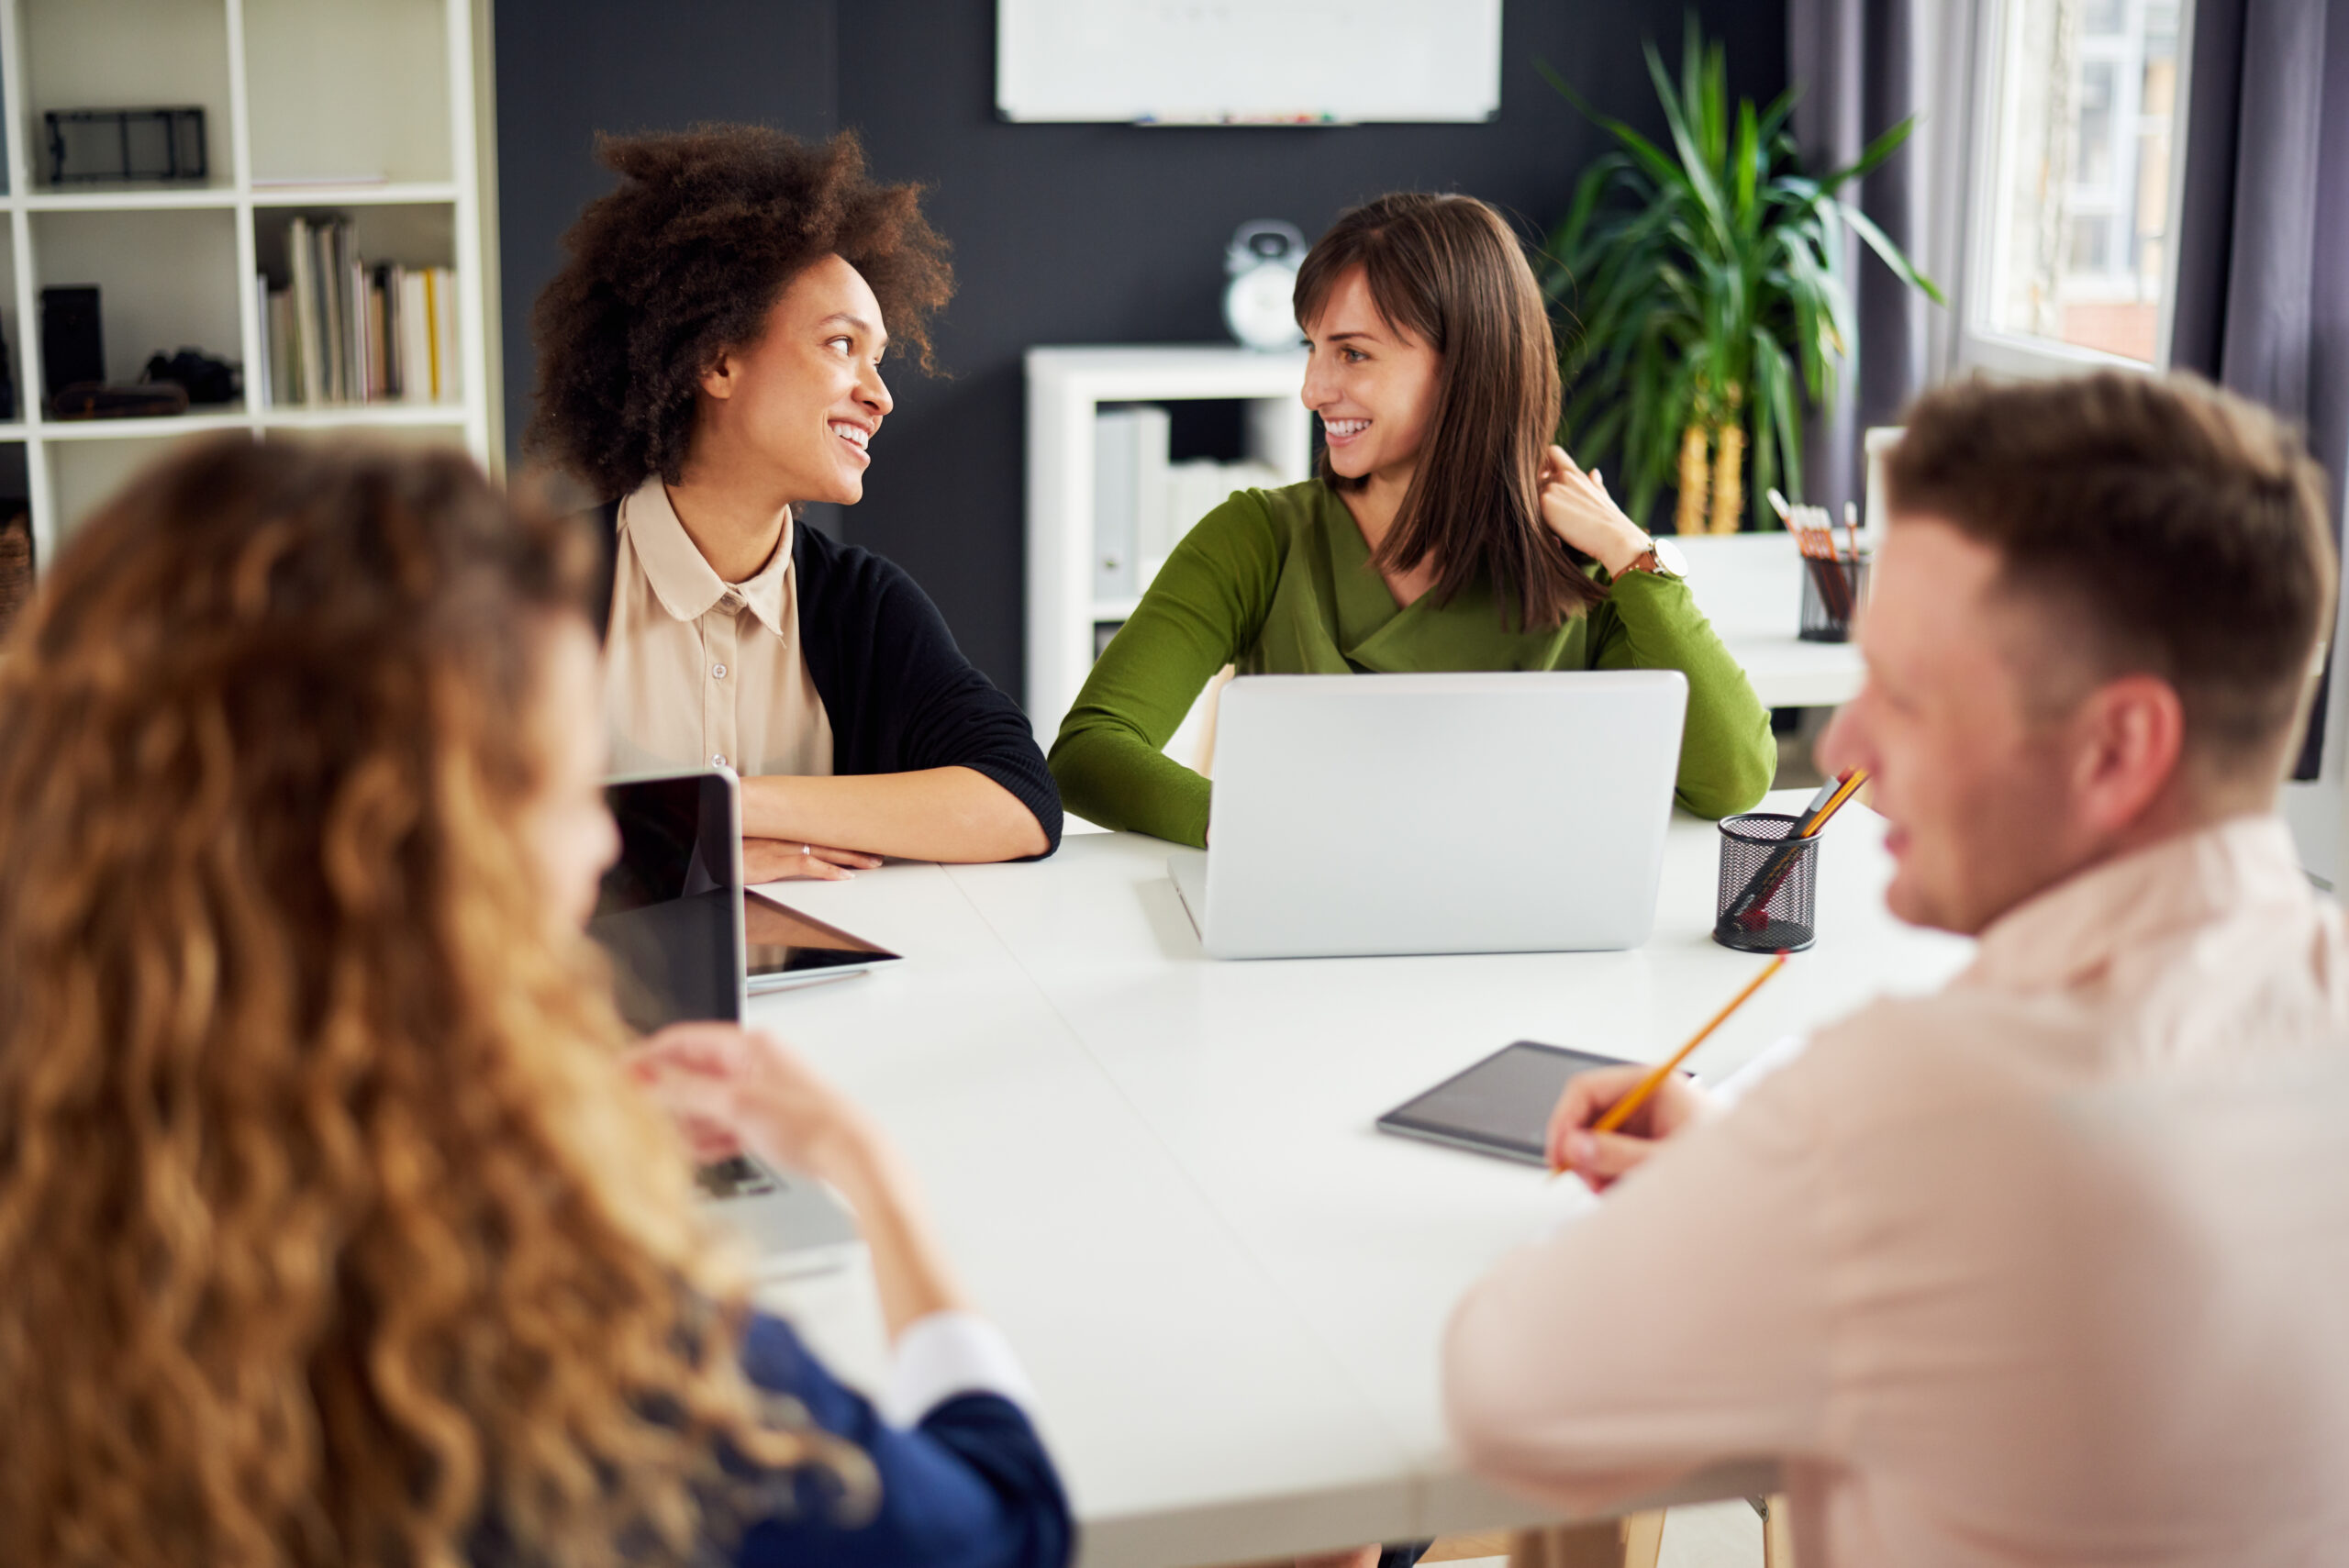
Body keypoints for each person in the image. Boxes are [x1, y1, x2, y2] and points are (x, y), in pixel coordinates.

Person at [0, 437, 1073, 1568]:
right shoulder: (573, 1325)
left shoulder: (59, 1228)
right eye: (569, 787)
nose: (610, 838)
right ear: (430, 850)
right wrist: (872, 1172)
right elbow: (1000, 1531)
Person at [1443, 372, 2349, 1566]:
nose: (1846, 745)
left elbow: (1505, 1384)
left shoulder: (1913, 1105)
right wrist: (1771, 1185)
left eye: (1910, 693)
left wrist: (1765, 1195)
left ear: (2121, 747)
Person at [1048, 192, 1774, 845]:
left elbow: (1733, 781)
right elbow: (1090, 749)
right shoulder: (1260, 539)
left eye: (1353, 354)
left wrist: (1633, 553)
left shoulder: (1583, 568)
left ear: (1467, 367)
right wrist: (1254, 827)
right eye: (1312, 349)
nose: (1311, 390)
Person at [530, 126, 1059, 883]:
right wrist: (686, 853)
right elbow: (439, 846)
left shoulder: (863, 606)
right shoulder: (533, 591)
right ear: (717, 360)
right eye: (841, 345)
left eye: (878, 359)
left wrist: (731, 810)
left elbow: (1021, 800)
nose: (878, 396)